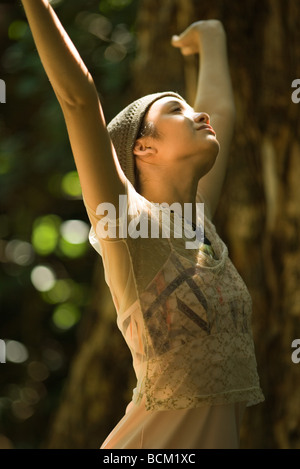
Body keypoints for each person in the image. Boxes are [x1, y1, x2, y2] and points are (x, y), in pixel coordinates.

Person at [21, 0, 264, 449]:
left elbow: (221, 112)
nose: (198, 113)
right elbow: (78, 99)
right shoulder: (131, 227)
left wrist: (211, 38)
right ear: (142, 149)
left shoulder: (198, 226)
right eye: (176, 109)